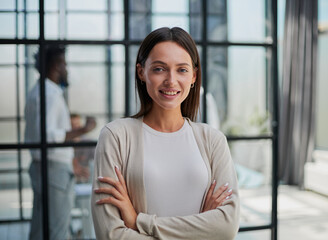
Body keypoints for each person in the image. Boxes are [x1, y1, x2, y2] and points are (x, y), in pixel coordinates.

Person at [91, 27, 240, 240]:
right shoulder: (116, 137)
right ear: (141, 72)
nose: (171, 80)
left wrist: (139, 222)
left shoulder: (213, 140)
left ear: (194, 76)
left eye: (182, 70)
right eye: (160, 69)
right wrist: (200, 229)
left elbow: (226, 227)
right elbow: (111, 235)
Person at [25, 44, 96, 240]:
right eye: (64, 64)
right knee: (58, 230)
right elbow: (47, 136)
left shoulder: (36, 92)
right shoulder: (50, 95)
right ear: (56, 65)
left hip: (42, 167)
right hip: (54, 170)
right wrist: (83, 129)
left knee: (40, 229)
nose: (66, 69)